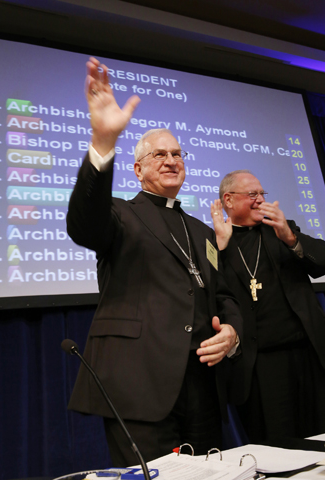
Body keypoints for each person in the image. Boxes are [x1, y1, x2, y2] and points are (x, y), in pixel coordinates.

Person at [66, 57, 242, 467]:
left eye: (177, 153)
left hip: (203, 387)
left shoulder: (200, 230)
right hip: (139, 384)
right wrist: (103, 141)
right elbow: (83, 225)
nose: (171, 160)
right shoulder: (119, 214)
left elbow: (225, 293)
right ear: (138, 169)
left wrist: (232, 331)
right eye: (159, 154)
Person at [211, 169, 325, 443]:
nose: (260, 199)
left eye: (262, 193)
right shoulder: (215, 244)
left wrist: (290, 237)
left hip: (309, 357)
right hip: (260, 368)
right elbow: (211, 294)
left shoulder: (281, 230)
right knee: (277, 450)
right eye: (252, 194)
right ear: (229, 200)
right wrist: (221, 249)